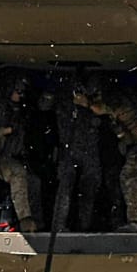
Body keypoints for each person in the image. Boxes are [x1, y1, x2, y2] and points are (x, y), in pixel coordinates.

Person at [83, 83, 137, 232]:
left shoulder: (118, 101)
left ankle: (136, 222)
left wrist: (86, 103)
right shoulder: (116, 109)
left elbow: (101, 109)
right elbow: (126, 137)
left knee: (128, 177)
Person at [0, 74, 39, 231]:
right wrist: (5, 131)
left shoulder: (17, 111)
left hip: (11, 156)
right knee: (18, 174)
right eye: (17, 91)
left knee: (34, 182)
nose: (20, 95)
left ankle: (37, 224)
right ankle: (24, 220)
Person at [53, 78, 104, 232]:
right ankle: (59, 226)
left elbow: (102, 113)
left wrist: (87, 104)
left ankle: (85, 227)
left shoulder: (93, 106)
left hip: (89, 151)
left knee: (88, 190)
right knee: (64, 190)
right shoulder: (65, 104)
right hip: (69, 150)